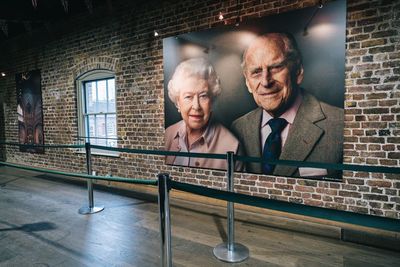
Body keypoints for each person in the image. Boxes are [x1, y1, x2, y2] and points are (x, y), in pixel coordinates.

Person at [231, 32, 343, 178]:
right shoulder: (237, 128)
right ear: (247, 83)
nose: (266, 81)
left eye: (276, 67)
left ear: (298, 72)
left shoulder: (341, 125)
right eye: (256, 72)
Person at [165, 58, 241, 170]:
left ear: (212, 101)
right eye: (188, 97)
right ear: (178, 103)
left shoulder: (232, 146)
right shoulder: (168, 134)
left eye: (203, 96)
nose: (196, 106)